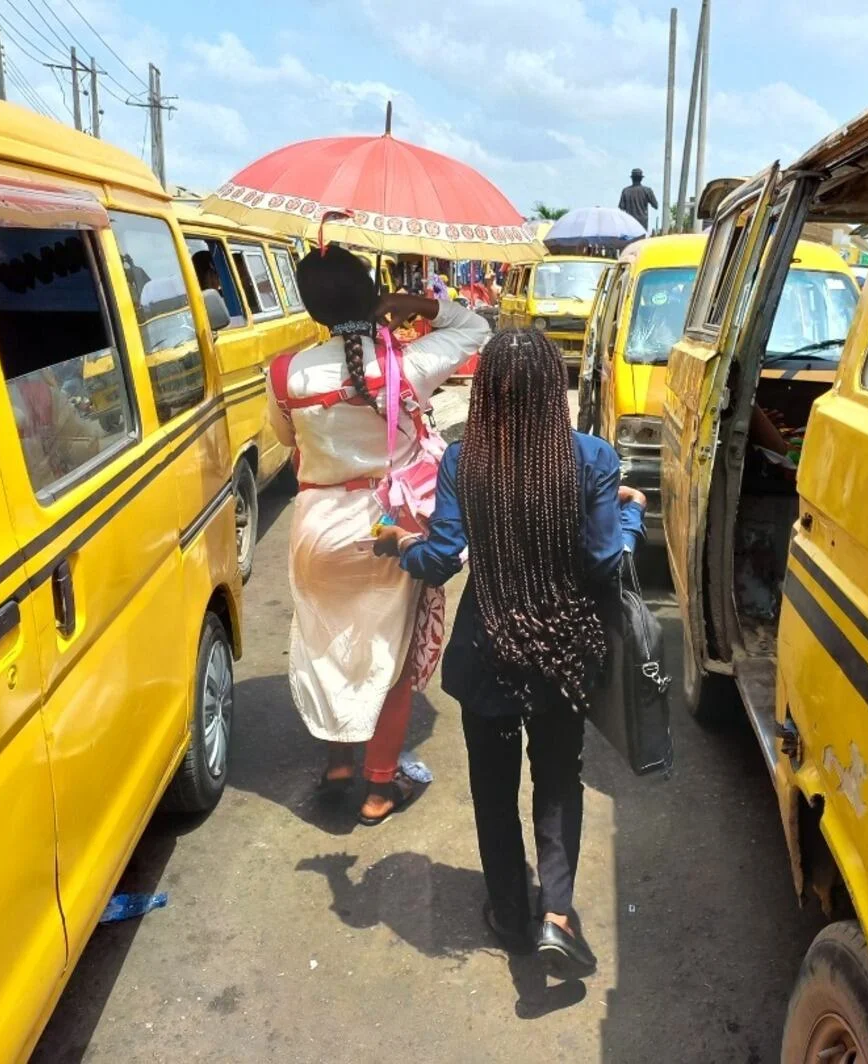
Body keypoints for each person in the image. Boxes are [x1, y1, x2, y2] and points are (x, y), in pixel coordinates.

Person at [374, 328, 646, 975]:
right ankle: (557, 914)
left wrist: (397, 542)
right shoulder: (591, 460)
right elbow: (608, 561)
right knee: (557, 785)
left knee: (494, 795)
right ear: (557, 390)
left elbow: (440, 560)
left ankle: (510, 915)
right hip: (560, 658)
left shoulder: (462, 462)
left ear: (488, 395)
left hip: (486, 655)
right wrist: (629, 513)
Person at [266, 244, 490, 825]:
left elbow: (288, 441)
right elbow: (475, 328)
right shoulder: (408, 364)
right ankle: (379, 787)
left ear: (310, 305)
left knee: (327, 644)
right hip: (385, 524)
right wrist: (414, 303)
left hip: (316, 525)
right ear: (373, 297)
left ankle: (341, 763)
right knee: (388, 654)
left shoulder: (285, 372)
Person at [618, 168, 657, 232]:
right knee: (642, 241)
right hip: (642, 224)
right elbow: (655, 205)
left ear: (632, 178)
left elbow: (621, 208)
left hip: (629, 223)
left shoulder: (625, 191)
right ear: (641, 179)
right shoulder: (647, 190)